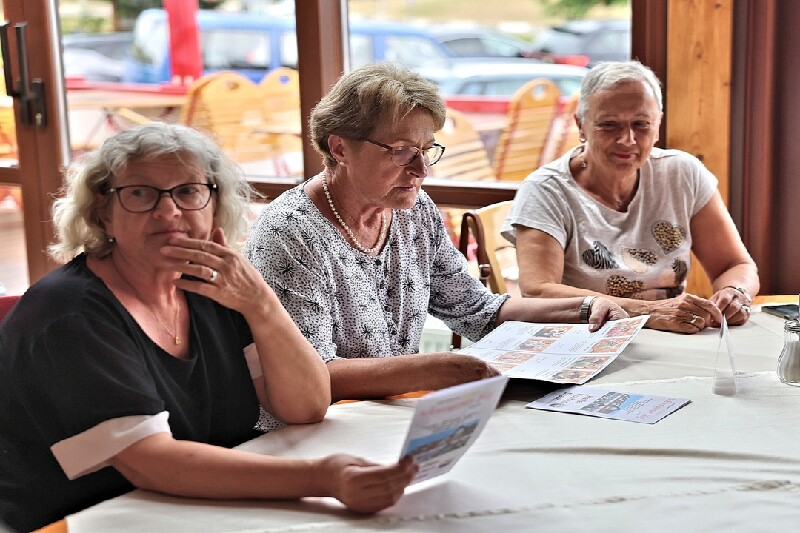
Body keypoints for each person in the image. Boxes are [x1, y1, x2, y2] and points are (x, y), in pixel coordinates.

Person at [0, 123, 416, 533]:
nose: (168, 211)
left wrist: (262, 304)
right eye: (140, 193)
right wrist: (324, 478)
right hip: (83, 521)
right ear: (103, 213)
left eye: (187, 191)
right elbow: (150, 462)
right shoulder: (69, 314)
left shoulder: (211, 284)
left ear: (214, 206)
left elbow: (304, 407)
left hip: (201, 507)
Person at [244, 62, 627, 404]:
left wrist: (584, 308)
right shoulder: (289, 235)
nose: (422, 169)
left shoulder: (413, 211)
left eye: (427, 150)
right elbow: (311, 375)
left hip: (389, 412)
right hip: (314, 430)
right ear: (340, 148)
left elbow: (476, 310)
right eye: (401, 151)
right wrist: (429, 370)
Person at [502, 60, 759, 334]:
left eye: (641, 124)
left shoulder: (683, 173)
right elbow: (538, 291)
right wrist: (649, 312)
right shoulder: (546, 190)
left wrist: (735, 293)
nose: (627, 139)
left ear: (658, 125)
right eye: (609, 125)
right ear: (581, 125)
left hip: (671, 335)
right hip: (586, 339)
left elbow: (735, 265)